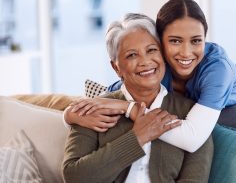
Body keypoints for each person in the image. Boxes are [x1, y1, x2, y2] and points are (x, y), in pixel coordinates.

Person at [65, 0, 236, 152]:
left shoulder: (217, 69)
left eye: (196, 40)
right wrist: (68, 116)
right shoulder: (157, 68)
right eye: (175, 41)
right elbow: (105, 97)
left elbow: (191, 139)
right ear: (159, 42)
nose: (186, 52)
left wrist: (129, 108)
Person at [62, 13, 213, 183]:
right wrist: (137, 138)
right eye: (132, 55)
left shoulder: (192, 116)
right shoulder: (94, 109)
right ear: (116, 67)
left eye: (151, 50)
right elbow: (74, 177)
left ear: (163, 54)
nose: (145, 61)